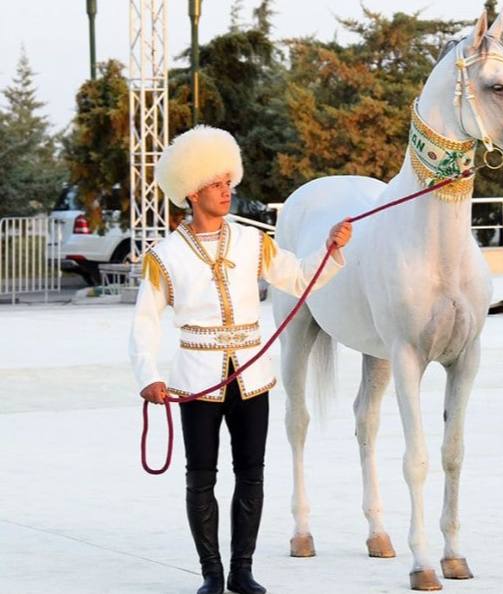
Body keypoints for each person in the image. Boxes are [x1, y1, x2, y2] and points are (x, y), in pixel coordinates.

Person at [129, 125, 352, 594]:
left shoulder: (255, 242)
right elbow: (145, 322)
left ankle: (242, 569)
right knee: (201, 477)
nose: (227, 190)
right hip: (195, 380)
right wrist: (148, 375)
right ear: (192, 192)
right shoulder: (164, 256)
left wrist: (331, 249)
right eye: (216, 183)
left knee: (251, 473)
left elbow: (299, 278)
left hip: (252, 376)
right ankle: (211, 573)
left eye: (229, 180)